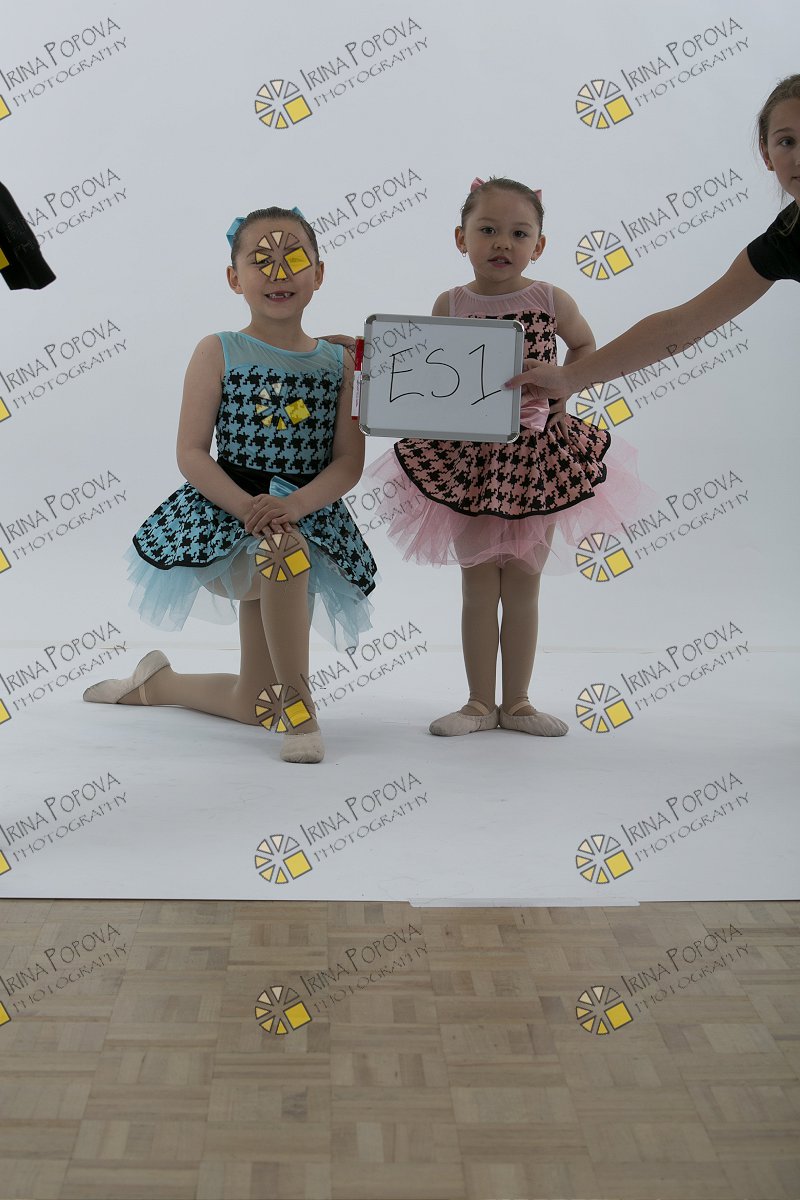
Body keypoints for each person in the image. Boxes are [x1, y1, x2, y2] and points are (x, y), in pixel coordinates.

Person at [83, 206, 377, 765]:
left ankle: (155, 684)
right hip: (229, 513)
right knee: (282, 549)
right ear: (234, 277)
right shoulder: (217, 350)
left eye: (294, 258)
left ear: (318, 273)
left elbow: (347, 463)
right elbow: (191, 452)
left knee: (254, 704)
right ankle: (300, 708)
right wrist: (250, 509)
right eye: (260, 260)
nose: (278, 272)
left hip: (305, 511)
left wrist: (293, 505)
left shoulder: (341, 364)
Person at [367, 177, 642, 738]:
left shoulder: (550, 299)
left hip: (536, 458)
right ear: (461, 238)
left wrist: (566, 389)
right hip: (467, 462)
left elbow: (585, 346)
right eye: (487, 229)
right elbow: (434, 373)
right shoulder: (451, 303)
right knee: (477, 584)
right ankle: (477, 703)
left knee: (522, 582)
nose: (502, 242)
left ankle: (516, 702)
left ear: (538, 245)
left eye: (519, 233)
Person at [506, 75, 800, 398]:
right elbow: (680, 326)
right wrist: (570, 378)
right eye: (787, 142)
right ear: (766, 153)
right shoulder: (782, 242)